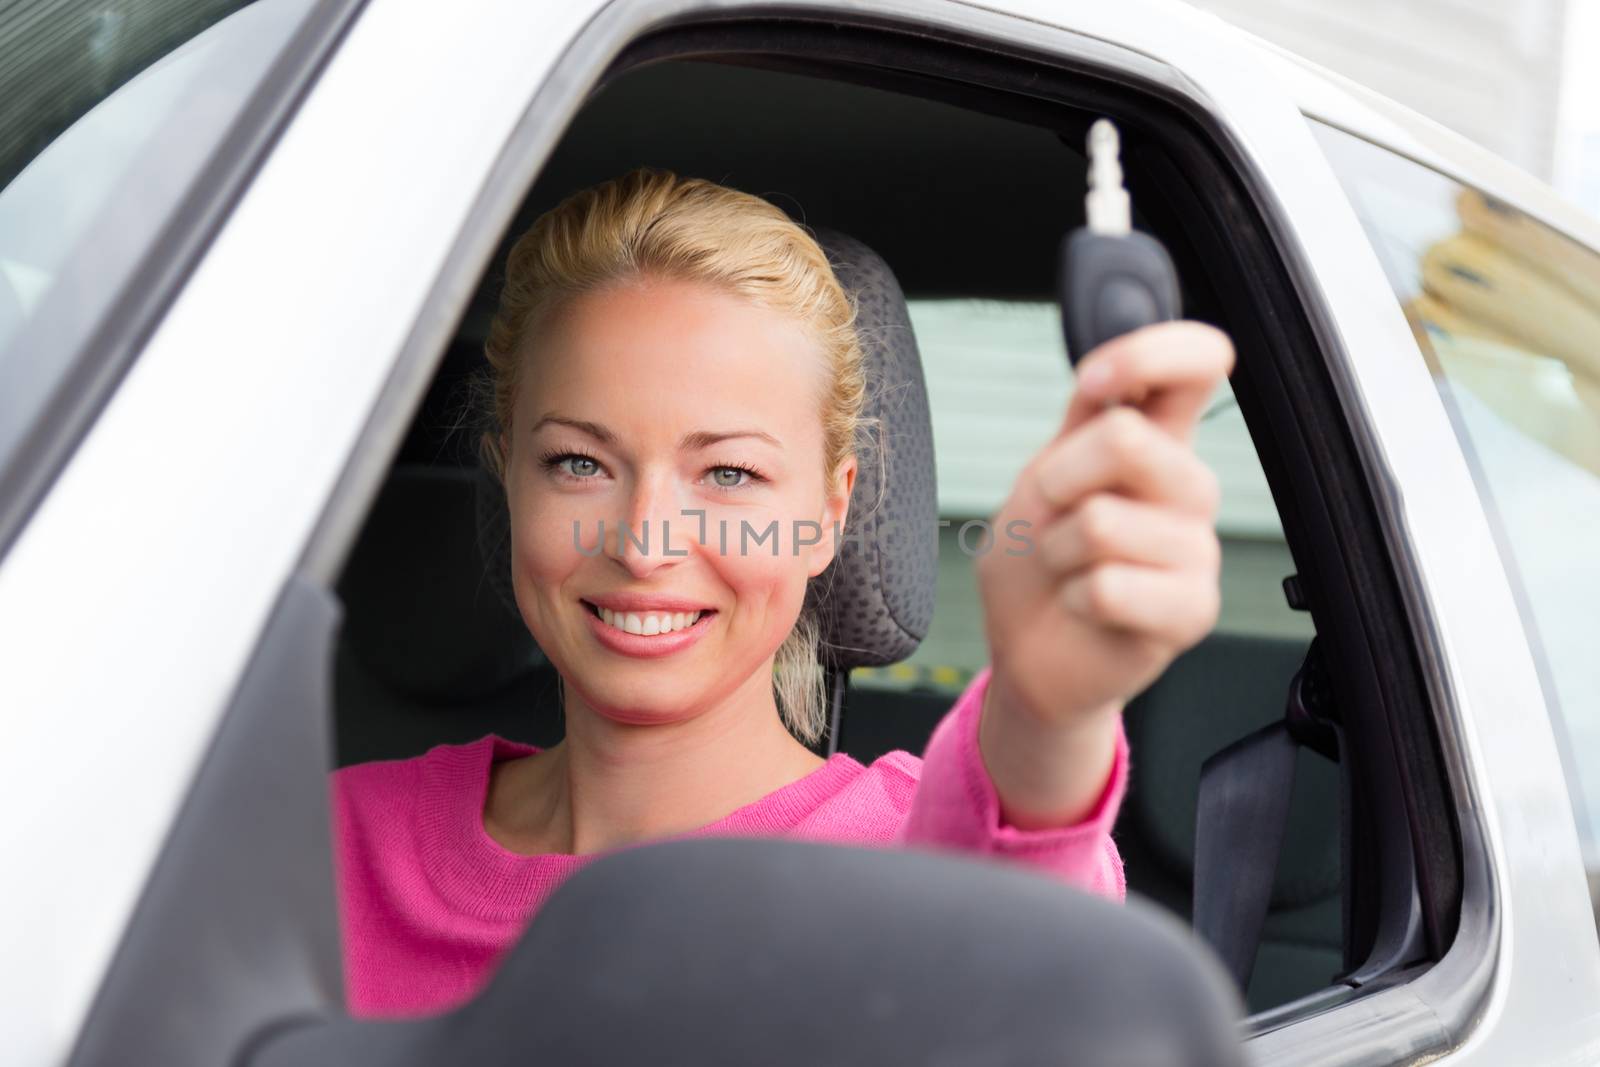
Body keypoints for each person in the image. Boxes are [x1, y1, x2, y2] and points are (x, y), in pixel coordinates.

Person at [332, 167, 1234, 1019]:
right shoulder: (325, 841)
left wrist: (1047, 716)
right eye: (579, 462)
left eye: (727, 472)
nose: (645, 543)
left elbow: (1022, 953)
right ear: (508, 480)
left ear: (830, 511)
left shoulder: (907, 863)